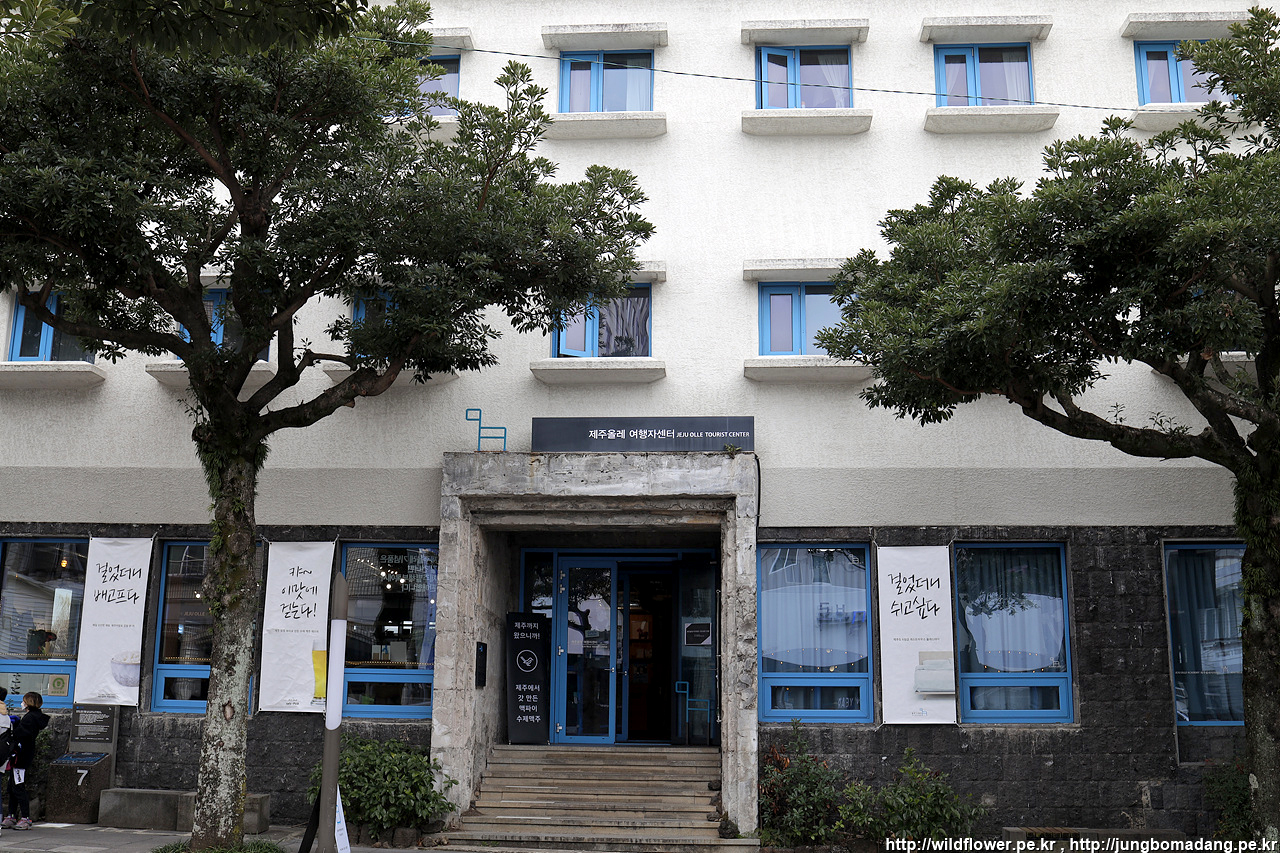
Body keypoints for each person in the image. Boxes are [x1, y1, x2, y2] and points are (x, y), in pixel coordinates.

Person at [3, 692, 48, 831]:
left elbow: (20, 734)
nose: (22, 703)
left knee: (18, 786)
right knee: (12, 786)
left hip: (20, 758)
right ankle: (11, 815)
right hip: (22, 756)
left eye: (24, 701)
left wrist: (13, 727)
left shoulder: (30, 718)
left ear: (28, 703)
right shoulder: (34, 717)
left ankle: (25, 818)